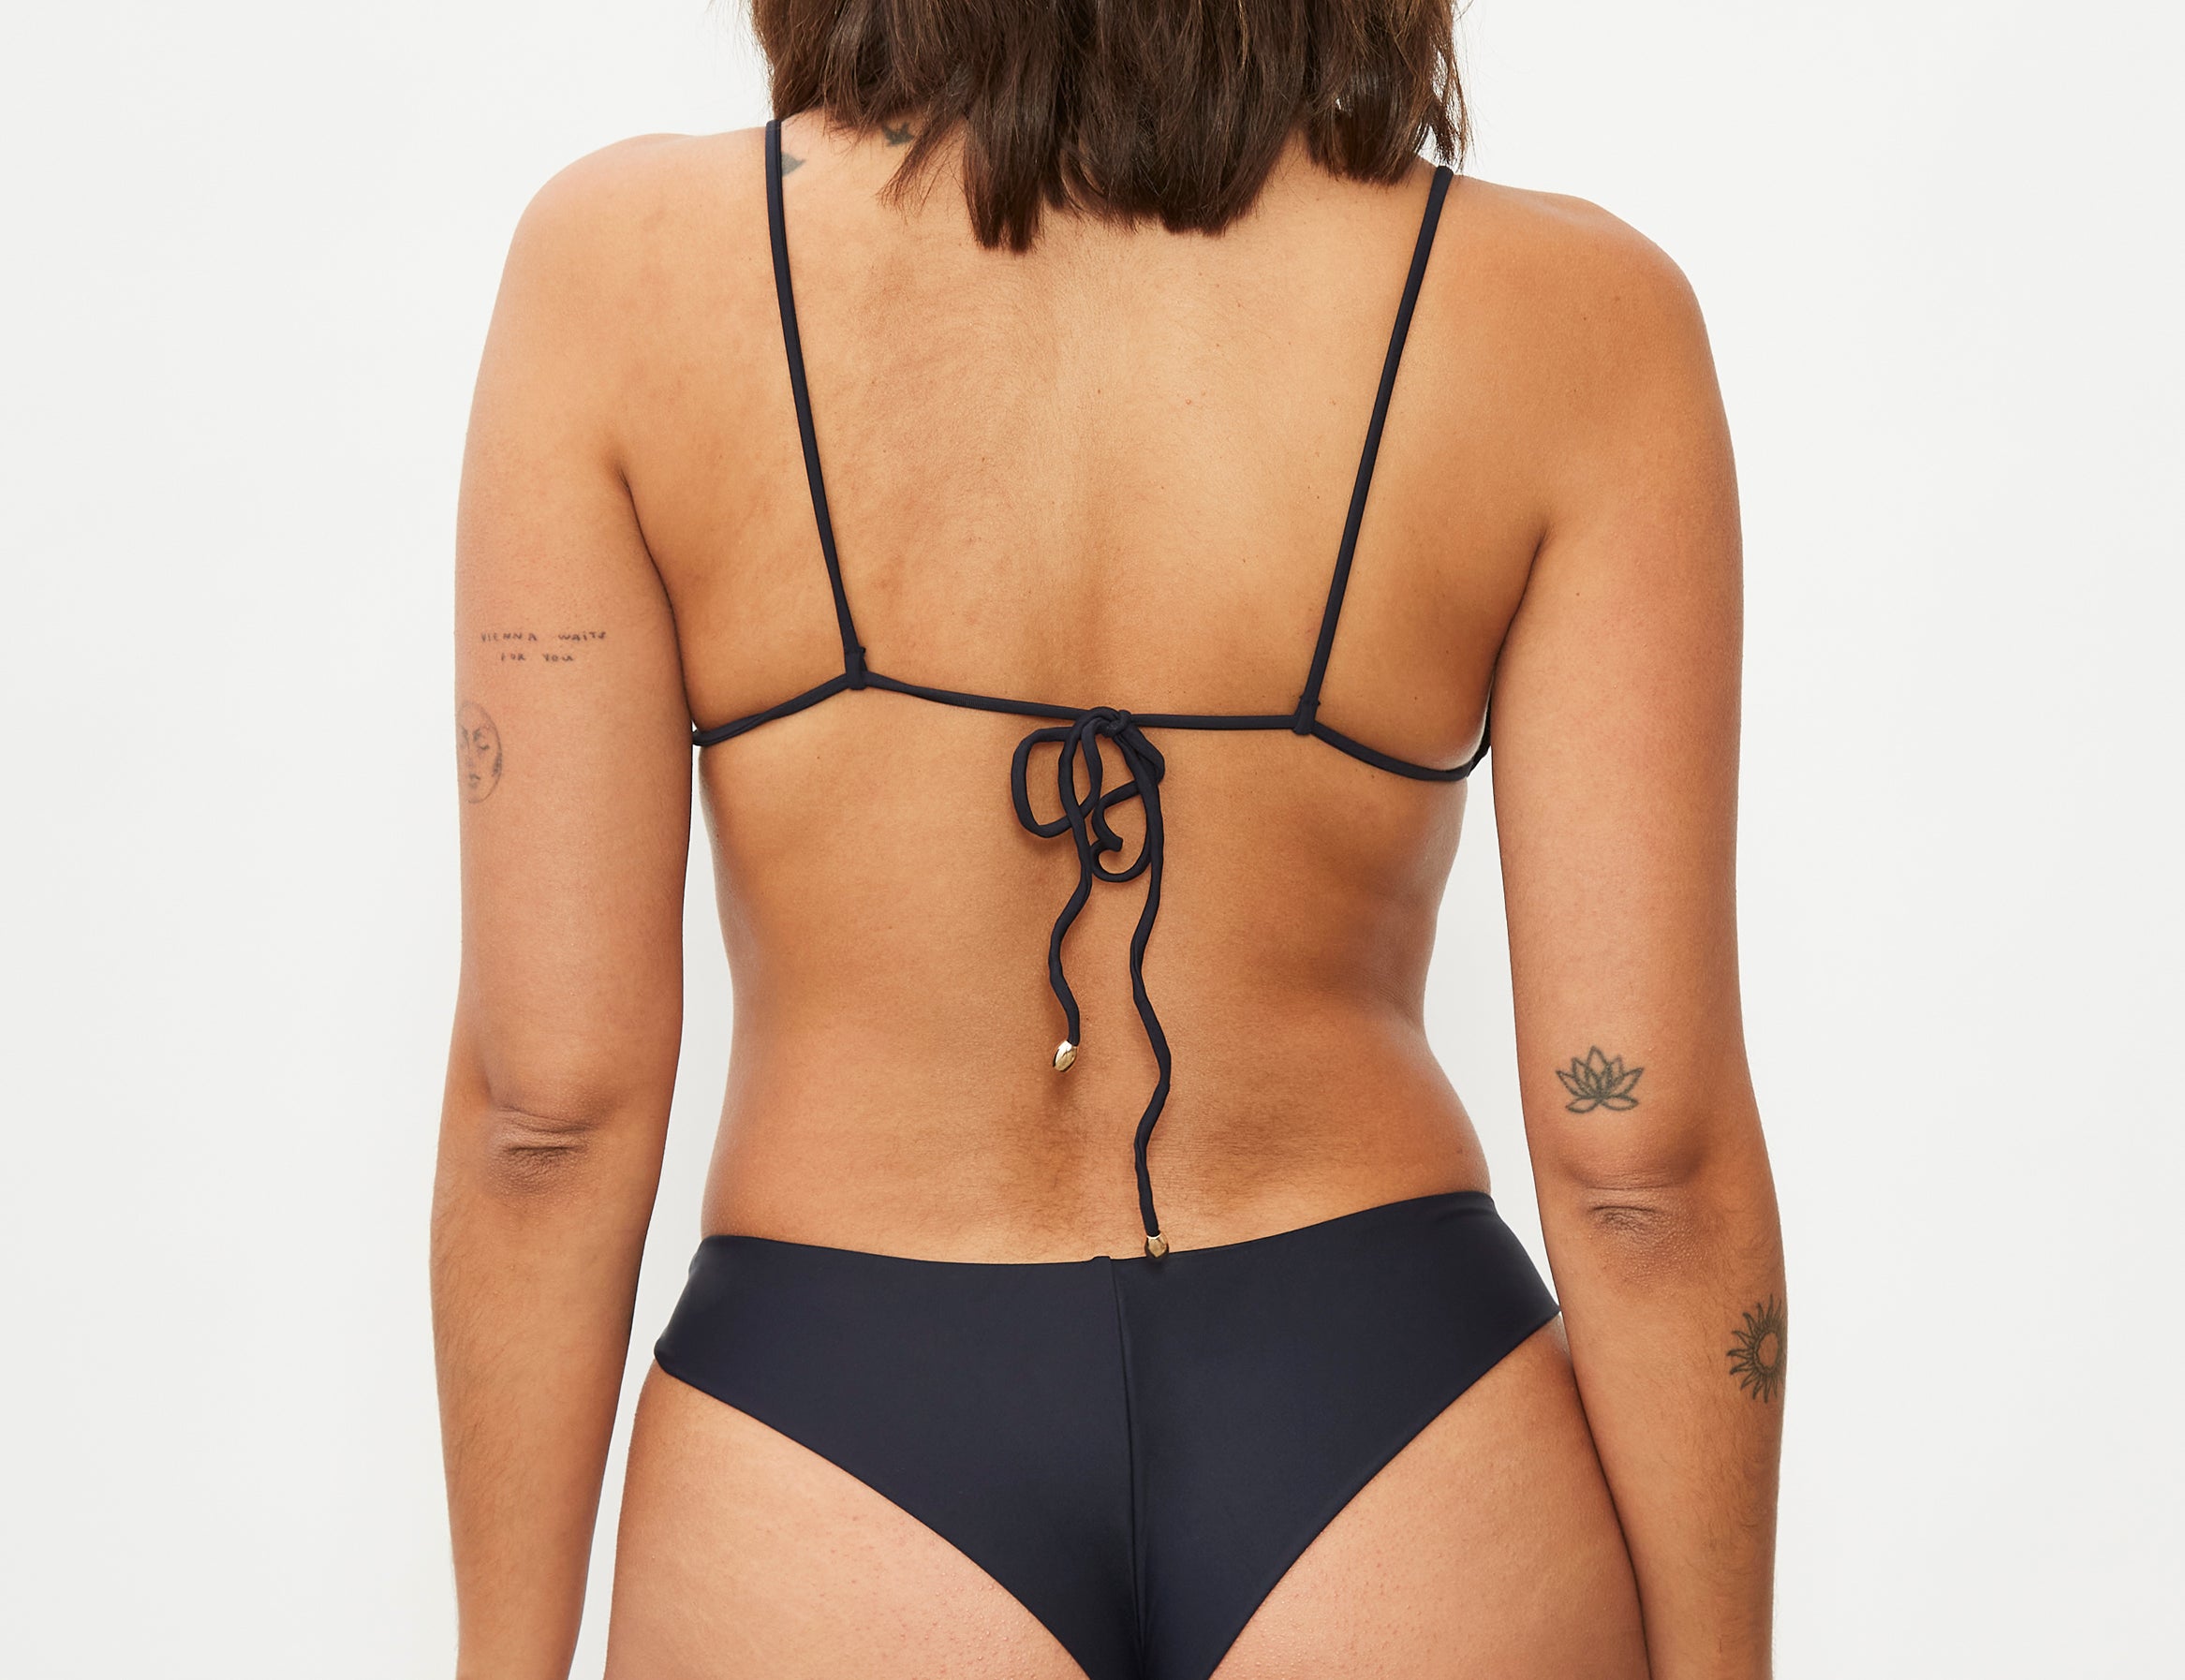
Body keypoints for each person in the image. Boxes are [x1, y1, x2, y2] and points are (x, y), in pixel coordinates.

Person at [432, 2, 1785, 1674]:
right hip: (1397, 1429)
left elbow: (544, 1113)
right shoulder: (1575, 317)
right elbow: (1643, 1165)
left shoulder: (623, 272)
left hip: (827, 1450)